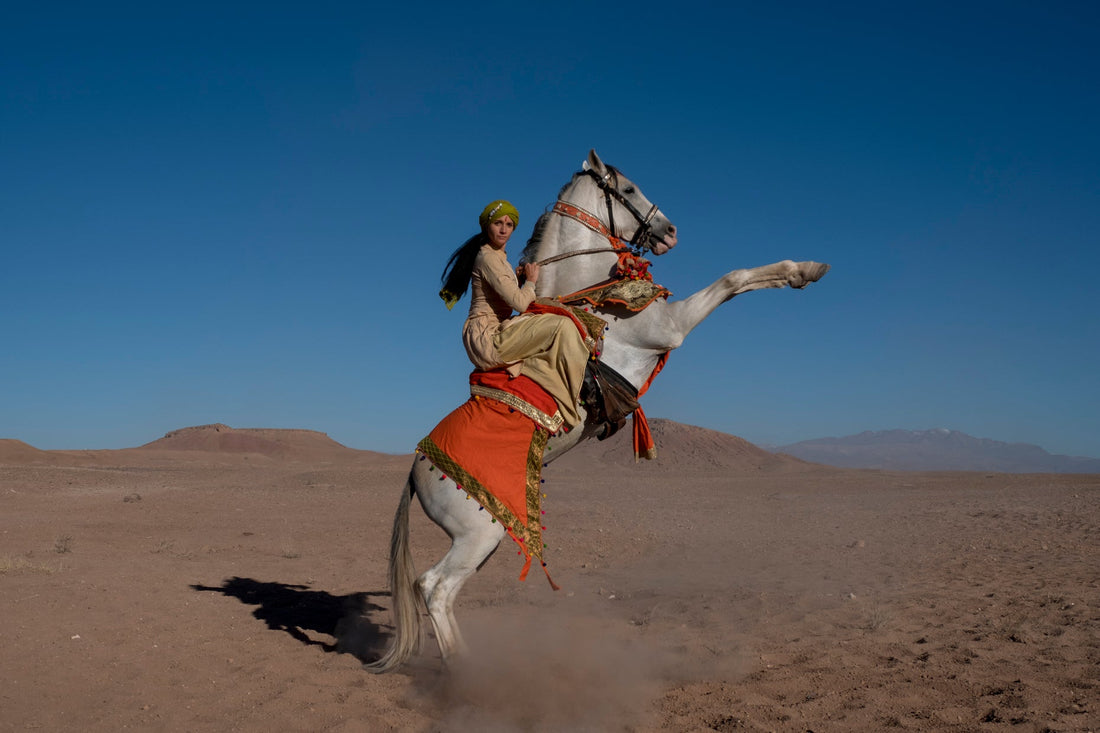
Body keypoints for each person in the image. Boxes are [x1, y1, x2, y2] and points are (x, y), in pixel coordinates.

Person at [439, 200, 590, 428]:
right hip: (488, 337)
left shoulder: (499, 258)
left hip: (494, 332)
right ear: (487, 226)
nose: (503, 230)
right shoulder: (488, 258)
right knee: (562, 325)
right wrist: (531, 281)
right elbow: (519, 303)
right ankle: (574, 400)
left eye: (509, 225)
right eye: (498, 223)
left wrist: (519, 278)